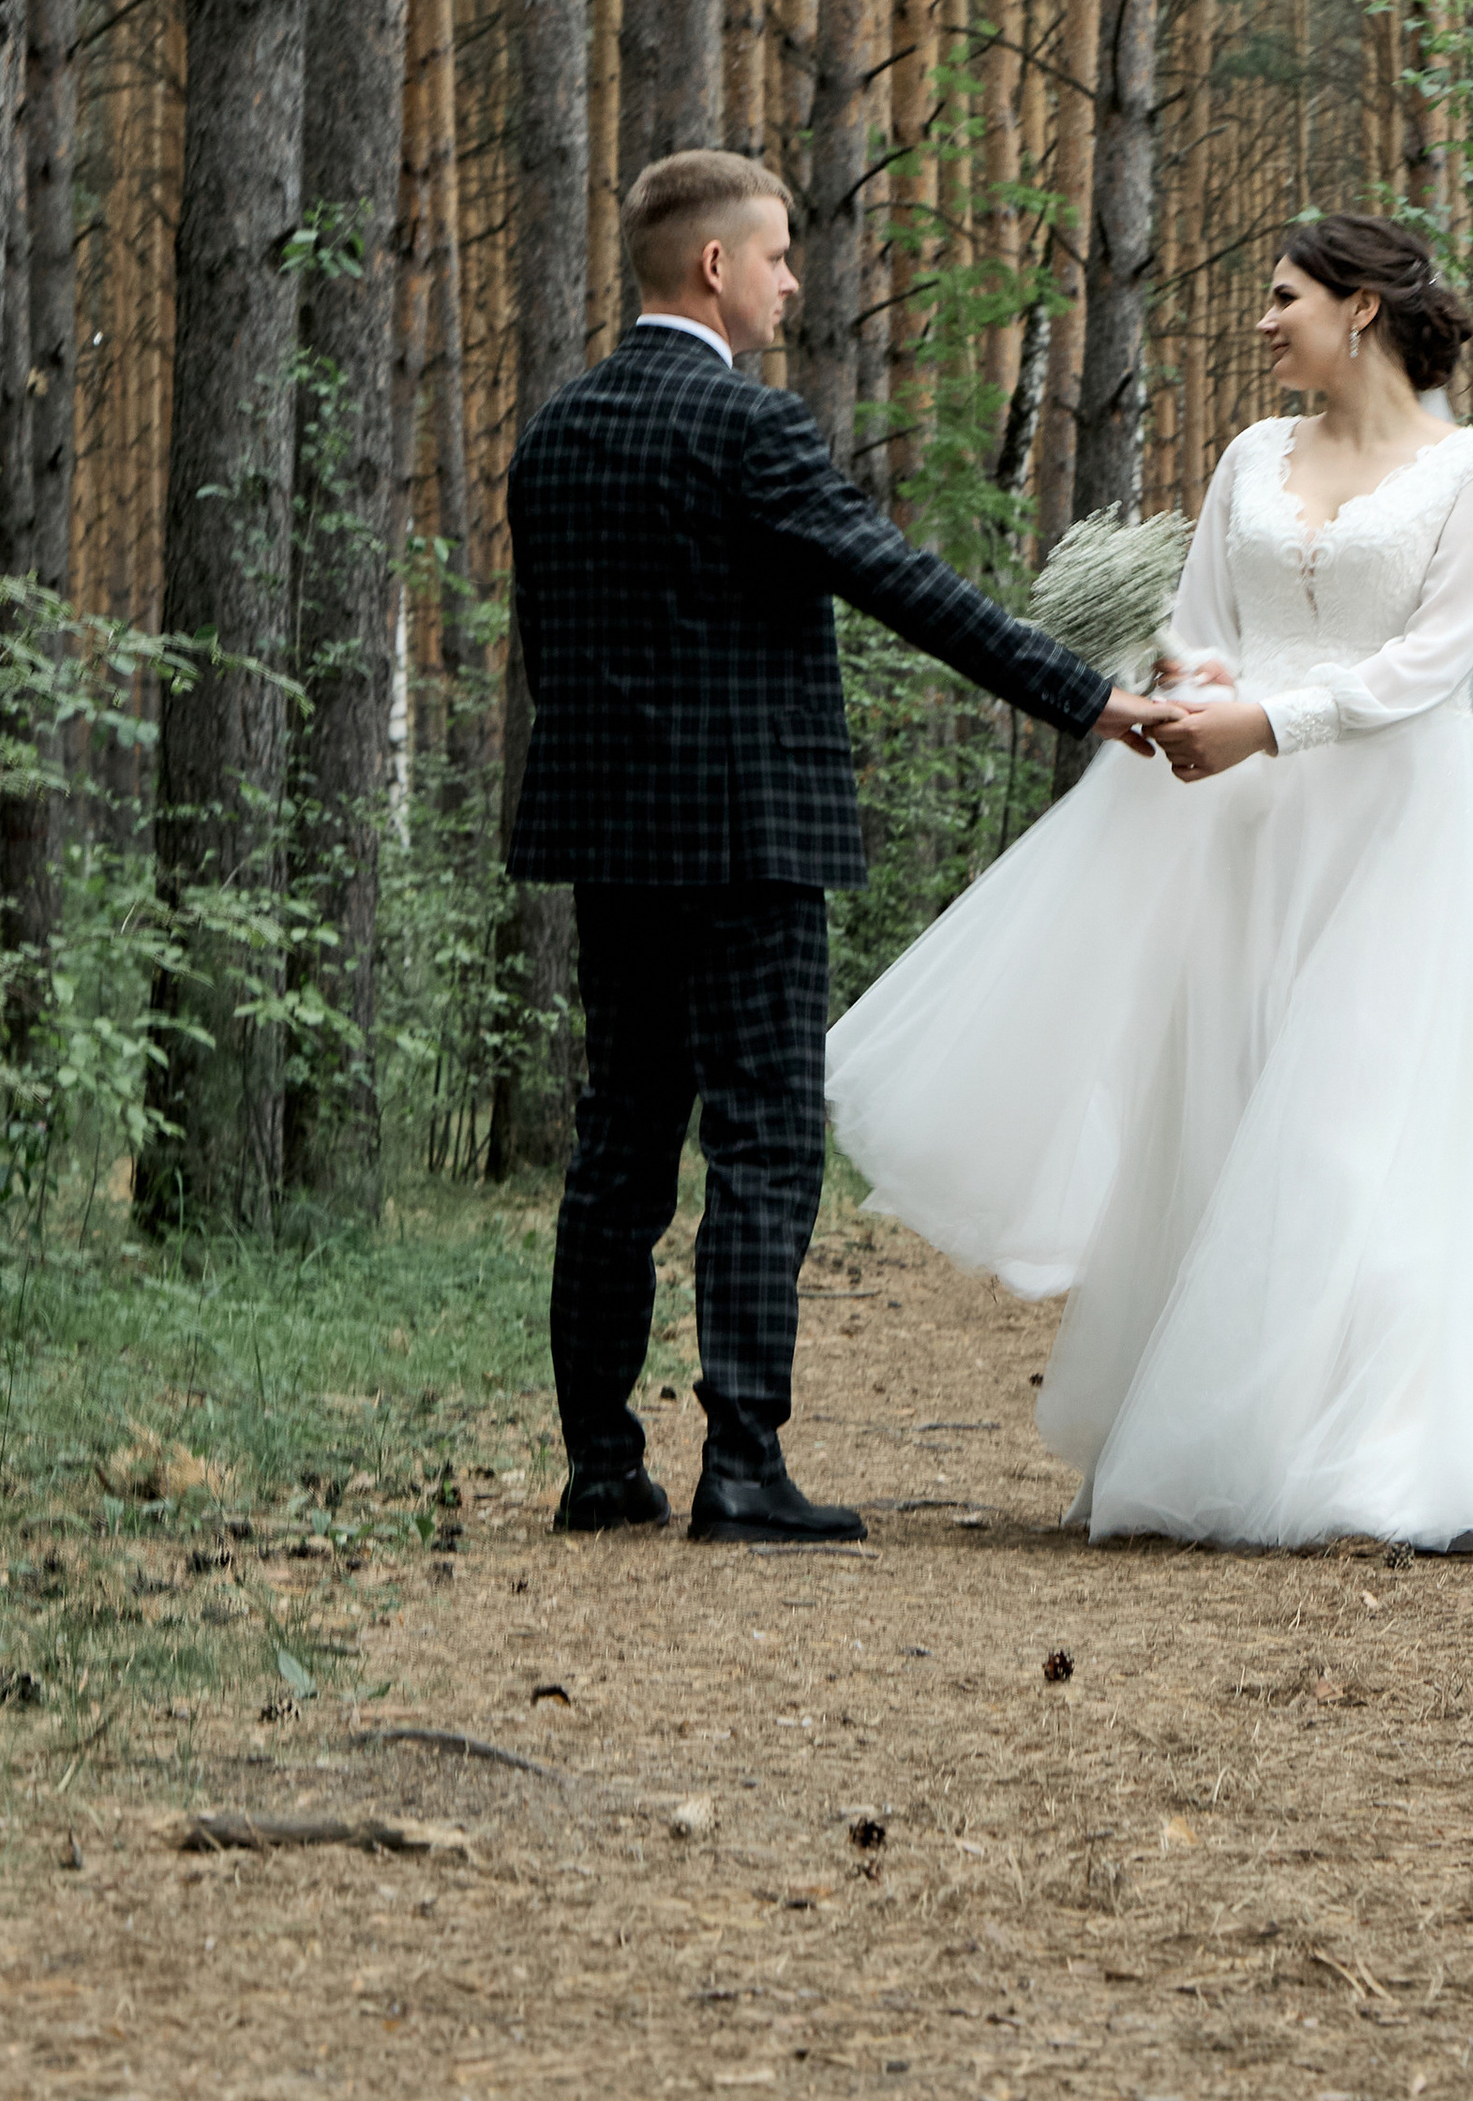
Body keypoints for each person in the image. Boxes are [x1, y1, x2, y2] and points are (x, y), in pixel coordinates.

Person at [826, 210, 1473, 1550]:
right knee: (1238, 1097)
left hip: (1397, 824)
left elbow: (1437, 656)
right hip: (1243, 826)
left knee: (1358, 1109)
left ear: (1361, 308)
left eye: (1285, 296)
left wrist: (1276, 723)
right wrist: (1197, 698)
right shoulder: (1256, 453)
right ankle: (1224, 1430)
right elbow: (1204, 622)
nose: (1264, 321)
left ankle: (1372, 1444)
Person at [503, 148, 1182, 1543]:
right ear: (715, 268)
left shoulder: (554, 433)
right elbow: (901, 584)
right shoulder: (750, 430)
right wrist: (1088, 697)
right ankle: (742, 1472)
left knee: (618, 1150)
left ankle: (600, 1466)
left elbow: (552, 654)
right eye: (778, 256)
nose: (792, 280)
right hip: (751, 847)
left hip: (606, 844)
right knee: (760, 1147)